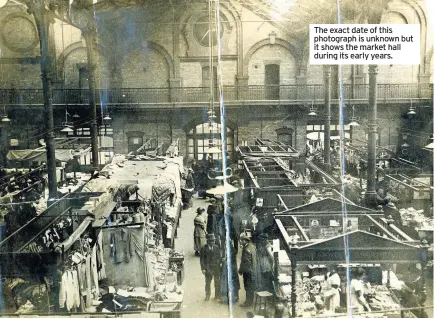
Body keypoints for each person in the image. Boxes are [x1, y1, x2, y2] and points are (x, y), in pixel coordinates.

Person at [238, 233, 259, 307]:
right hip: (253, 270)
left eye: (241, 240)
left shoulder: (246, 249)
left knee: (247, 287)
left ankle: (248, 302)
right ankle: (251, 300)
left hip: (248, 272)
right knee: (251, 287)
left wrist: (240, 270)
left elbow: (245, 262)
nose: (240, 242)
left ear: (245, 241)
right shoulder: (253, 247)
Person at [200, 233, 222, 301]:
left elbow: (219, 257)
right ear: (208, 241)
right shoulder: (204, 248)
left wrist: (219, 263)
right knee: (208, 283)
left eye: (213, 241)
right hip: (208, 268)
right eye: (211, 241)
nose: (212, 242)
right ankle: (207, 295)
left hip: (216, 268)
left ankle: (217, 295)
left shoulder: (216, 247)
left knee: (217, 282)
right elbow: (202, 260)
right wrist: (203, 269)